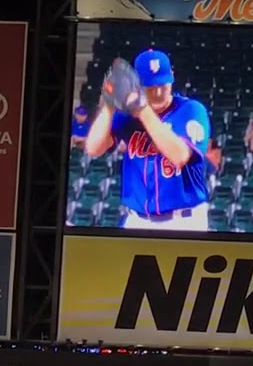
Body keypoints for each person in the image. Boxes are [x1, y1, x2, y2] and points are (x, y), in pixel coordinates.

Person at [84, 49, 211, 231]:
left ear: (172, 77)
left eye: (163, 84)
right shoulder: (129, 116)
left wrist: (142, 109)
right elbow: (93, 149)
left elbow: (180, 156)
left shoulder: (191, 110)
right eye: (150, 87)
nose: (158, 92)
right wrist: (109, 105)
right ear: (136, 85)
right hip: (137, 220)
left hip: (184, 220)